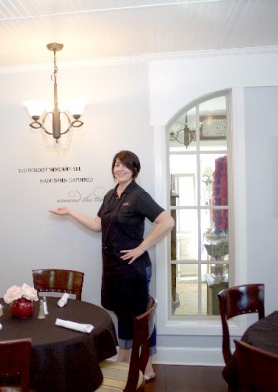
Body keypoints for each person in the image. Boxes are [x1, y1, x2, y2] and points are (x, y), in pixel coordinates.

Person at [49, 150, 175, 380]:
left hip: (134, 268)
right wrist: (70, 212)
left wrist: (141, 247)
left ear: (134, 169)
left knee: (139, 316)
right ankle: (125, 357)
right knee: (122, 313)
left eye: (125, 165)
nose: (119, 169)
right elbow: (98, 224)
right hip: (112, 267)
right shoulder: (110, 194)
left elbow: (167, 221)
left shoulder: (138, 196)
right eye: (116, 164)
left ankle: (146, 365)